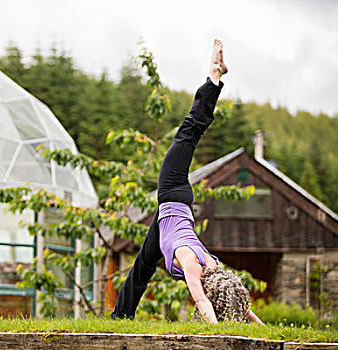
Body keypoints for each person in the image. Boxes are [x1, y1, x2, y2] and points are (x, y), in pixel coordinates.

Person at [111, 39, 263, 324]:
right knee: (187, 135)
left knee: (144, 265)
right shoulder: (201, 267)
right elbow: (203, 301)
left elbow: (236, 305)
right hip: (173, 197)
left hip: (169, 215)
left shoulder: (208, 266)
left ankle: (120, 316)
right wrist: (218, 327)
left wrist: (262, 329)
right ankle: (214, 79)